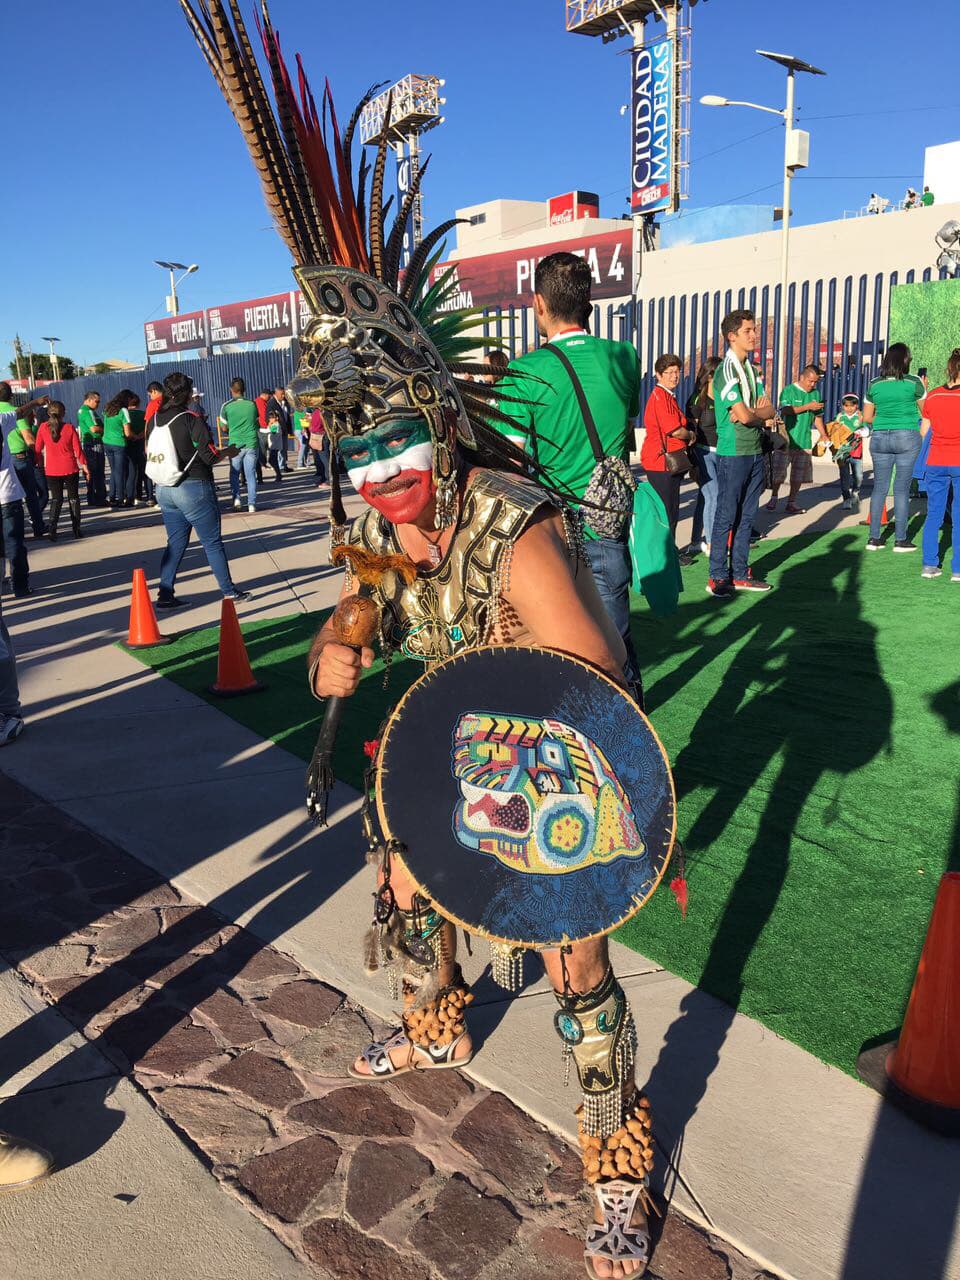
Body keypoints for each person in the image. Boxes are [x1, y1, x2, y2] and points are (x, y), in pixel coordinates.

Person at [185, 18, 659, 1274]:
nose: (381, 475)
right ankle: (436, 1016)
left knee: (573, 957)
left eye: (397, 444)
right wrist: (339, 643)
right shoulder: (384, 520)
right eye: (360, 455)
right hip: (451, 748)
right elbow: (364, 609)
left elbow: (599, 680)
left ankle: (615, 1156)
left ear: (440, 426)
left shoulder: (512, 526)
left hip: (549, 761)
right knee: (396, 873)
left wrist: (501, 750)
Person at [497, 252, 643, 690]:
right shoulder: (624, 357)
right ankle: (635, 723)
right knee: (616, 650)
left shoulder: (523, 371)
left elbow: (507, 463)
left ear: (539, 304)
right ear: (587, 302)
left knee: (562, 658)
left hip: (554, 533)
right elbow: (625, 424)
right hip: (609, 523)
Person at [149, 371, 249, 608]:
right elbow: (209, 456)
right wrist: (229, 452)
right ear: (186, 394)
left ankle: (165, 594)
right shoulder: (191, 419)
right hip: (193, 486)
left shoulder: (154, 419)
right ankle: (229, 591)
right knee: (212, 542)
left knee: (175, 543)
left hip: (165, 487)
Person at [707, 309, 776, 597]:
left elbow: (768, 409)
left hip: (755, 449)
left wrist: (753, 414)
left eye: (754, 329)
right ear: (731, 336)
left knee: (747, 516)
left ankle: (739, 572)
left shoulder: (752, 369)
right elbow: (747, 416)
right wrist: (754, 415)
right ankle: (717, 575)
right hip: (733, 452)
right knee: (726, 515)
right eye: (748, 330)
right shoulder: (726, 369)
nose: (754, 335)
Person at [863, 342, 925, 552]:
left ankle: (874, 539)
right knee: (901, 489)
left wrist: (885, 420)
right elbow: (927, 412)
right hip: (907, 435)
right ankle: (901, 540)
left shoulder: (874, 384)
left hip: (880, 437)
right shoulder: (914, 382)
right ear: (905, 360)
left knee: (879, 488)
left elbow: (867, 417)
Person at [640, 354, 695, 565]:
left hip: (665, 461)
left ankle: (668, 552)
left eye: (676, 371)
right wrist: (690, 435)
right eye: (669, 372)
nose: (674, 376)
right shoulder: (661, 397)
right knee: (667, 511)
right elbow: (674, 429)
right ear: (658, 375)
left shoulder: (667, 396)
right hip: (661, 462)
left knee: (670, 509)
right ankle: (665, 555)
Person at [918, 349, 960, 580]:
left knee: (934, 513)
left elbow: (924, 431)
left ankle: (929, 565)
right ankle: (958, 569)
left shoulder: (933, 396)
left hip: (936, 460)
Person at [768, 364, 827, 515]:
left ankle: (791, 502)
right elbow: (786, 410)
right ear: (802, 377)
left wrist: (824, 434)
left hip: (804, 441)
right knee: (778, 473)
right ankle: (774, 496)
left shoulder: (816, 394)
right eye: (810, 381)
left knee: (798, 475)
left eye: (815, 382)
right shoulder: (789, 390)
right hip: (786, 440)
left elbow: (818, 417)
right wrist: (807, 406)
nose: (812, 384)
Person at [34, 401, 88, 541]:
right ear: (63, 413)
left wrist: (39, 463)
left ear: (48, 413)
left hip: (52, 470)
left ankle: (52, 529)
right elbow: (77, 449)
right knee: (74, 498)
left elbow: (37, 449)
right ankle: (76, 529)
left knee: (56, 499)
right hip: (70, 468)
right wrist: (84, 465)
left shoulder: (43, 428)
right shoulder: (69, 428)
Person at [685, 356, 721, 556]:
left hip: (721, 453)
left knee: (705, 497)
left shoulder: (724, 397)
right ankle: (712, 544)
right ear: (710, 376)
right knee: (713, 495)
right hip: (702, 452)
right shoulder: (697, 399)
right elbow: (690, 429)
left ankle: (694, 541)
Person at [0, 383, 32, 597]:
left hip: (9, 494)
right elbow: (20, 412)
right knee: (15, 544)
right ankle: (20, 586)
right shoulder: (2, 419)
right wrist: (36, 402)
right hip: (8, 494)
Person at [219, 377, 260, 513]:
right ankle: (252, 504)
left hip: (235, 444)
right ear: (244, 390)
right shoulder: (252, 404)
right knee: (250, 474)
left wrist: (232, 429)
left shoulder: (226, 406)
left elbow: (223, 428)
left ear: (231, 389)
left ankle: (236, 499)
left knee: (234, 473)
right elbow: (257, 423)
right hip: (251, 442)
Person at [8, 406, 47, 538]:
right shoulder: (15, 412)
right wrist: (37, 457)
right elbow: (29, 439)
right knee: (31, 495)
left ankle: (16, 531)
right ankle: (38, 526)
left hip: (5, 459)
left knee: (12, 497)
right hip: (20, 457)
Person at [827, 393, 866, 510]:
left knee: (858, 476)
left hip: (856, 451)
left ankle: (855, 492)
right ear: (843, 406)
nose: (849, 408)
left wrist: (862, 430)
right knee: (844, 476)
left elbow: (867, 429)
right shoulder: (839, 417)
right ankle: (846, 498)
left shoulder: (861, 416)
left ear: (857, 405)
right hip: (842, 451)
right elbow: (833, 430)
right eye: (846, 406)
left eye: (852, 405)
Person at [102, 389, 134, 508]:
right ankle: (121, 498)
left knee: (114, 470)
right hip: (118, 443)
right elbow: (127, 433)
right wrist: (136, 436)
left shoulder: (107, 409)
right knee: (120, 472)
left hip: (107, 442)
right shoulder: (123, 411)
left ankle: (112, 496)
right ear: (127, 399)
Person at [77, 390, 106, 507]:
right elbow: (94, 428)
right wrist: (107, 430)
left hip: (90, 443)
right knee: (97, 471)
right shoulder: (87, 411)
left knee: (93, 471)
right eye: (96, 401)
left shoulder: (84, 410)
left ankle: (93, 497)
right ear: (89, 400)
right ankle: (99, 498)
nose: (98, 404)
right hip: (94, 443)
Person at [123, 393, 150, 507]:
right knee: (143, 469)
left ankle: (131, 495)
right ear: (138, 403)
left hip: (128, 443)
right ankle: (149, 495)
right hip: (141, 443)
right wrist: (140, 436)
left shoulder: (125, 414)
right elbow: (147, 428)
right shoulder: (143, 414)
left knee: (131, 471)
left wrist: (133, 436)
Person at [266, 385, 292, 470]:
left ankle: (283, 465)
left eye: (284, 394)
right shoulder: (271, 403)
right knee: (279, 448)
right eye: (281, 394)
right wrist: (273, 427)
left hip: (284, 428)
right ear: (276, 394)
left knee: (284, 448)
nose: (283, 396)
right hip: (276, 429)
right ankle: (280, 466)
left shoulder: (285, 402)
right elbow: (268, 417)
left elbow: (287, 415)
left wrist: (289, 429)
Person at [263, 409, 284, 482]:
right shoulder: (273, 425)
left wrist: (260, 430)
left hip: (274, 446)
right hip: (272, 445)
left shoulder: (276, 425)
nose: (270, 419)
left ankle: (278, 474)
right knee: (272, 460)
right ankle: (278, 474)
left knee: (272, 460)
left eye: (272, 418)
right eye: (270, 418)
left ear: (276, 418)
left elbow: (270, 432)